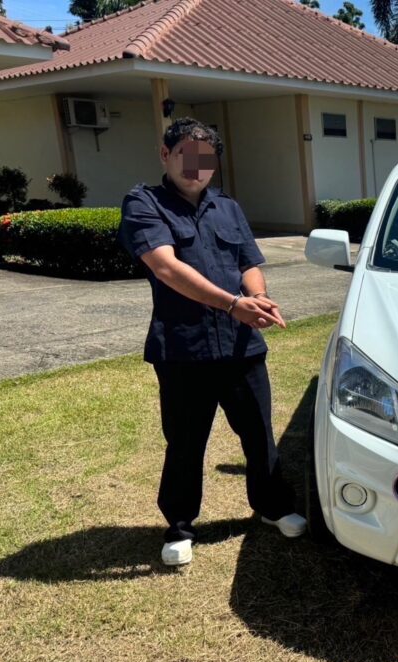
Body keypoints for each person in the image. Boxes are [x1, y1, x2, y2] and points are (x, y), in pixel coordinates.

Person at [119, 117, 307, 567]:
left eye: (205, 159)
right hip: (183, 348)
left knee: (259, 433)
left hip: (241, 346)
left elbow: (248, 262)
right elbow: (166, 267)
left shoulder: (228, 207)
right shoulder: (144, 203)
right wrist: (232, 304)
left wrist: (257, 299)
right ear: (166, 155)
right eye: (186, 155)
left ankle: (273, 506)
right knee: (185, 441)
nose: (195, 167)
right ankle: (180, 525)